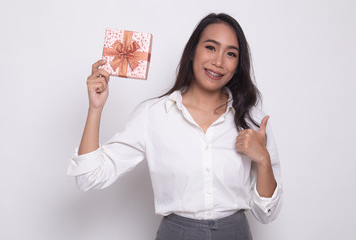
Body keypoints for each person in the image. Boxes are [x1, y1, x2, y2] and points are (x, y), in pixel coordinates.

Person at [68, 13, 282, 240]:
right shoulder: (154, 114)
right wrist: (95, 108)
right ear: (192, 52)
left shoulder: (252, 120)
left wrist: (263, 160)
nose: (218, 61)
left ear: (238, 65)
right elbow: (88, 177)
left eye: (230, 54)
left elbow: (266, 214)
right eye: (210, 47)